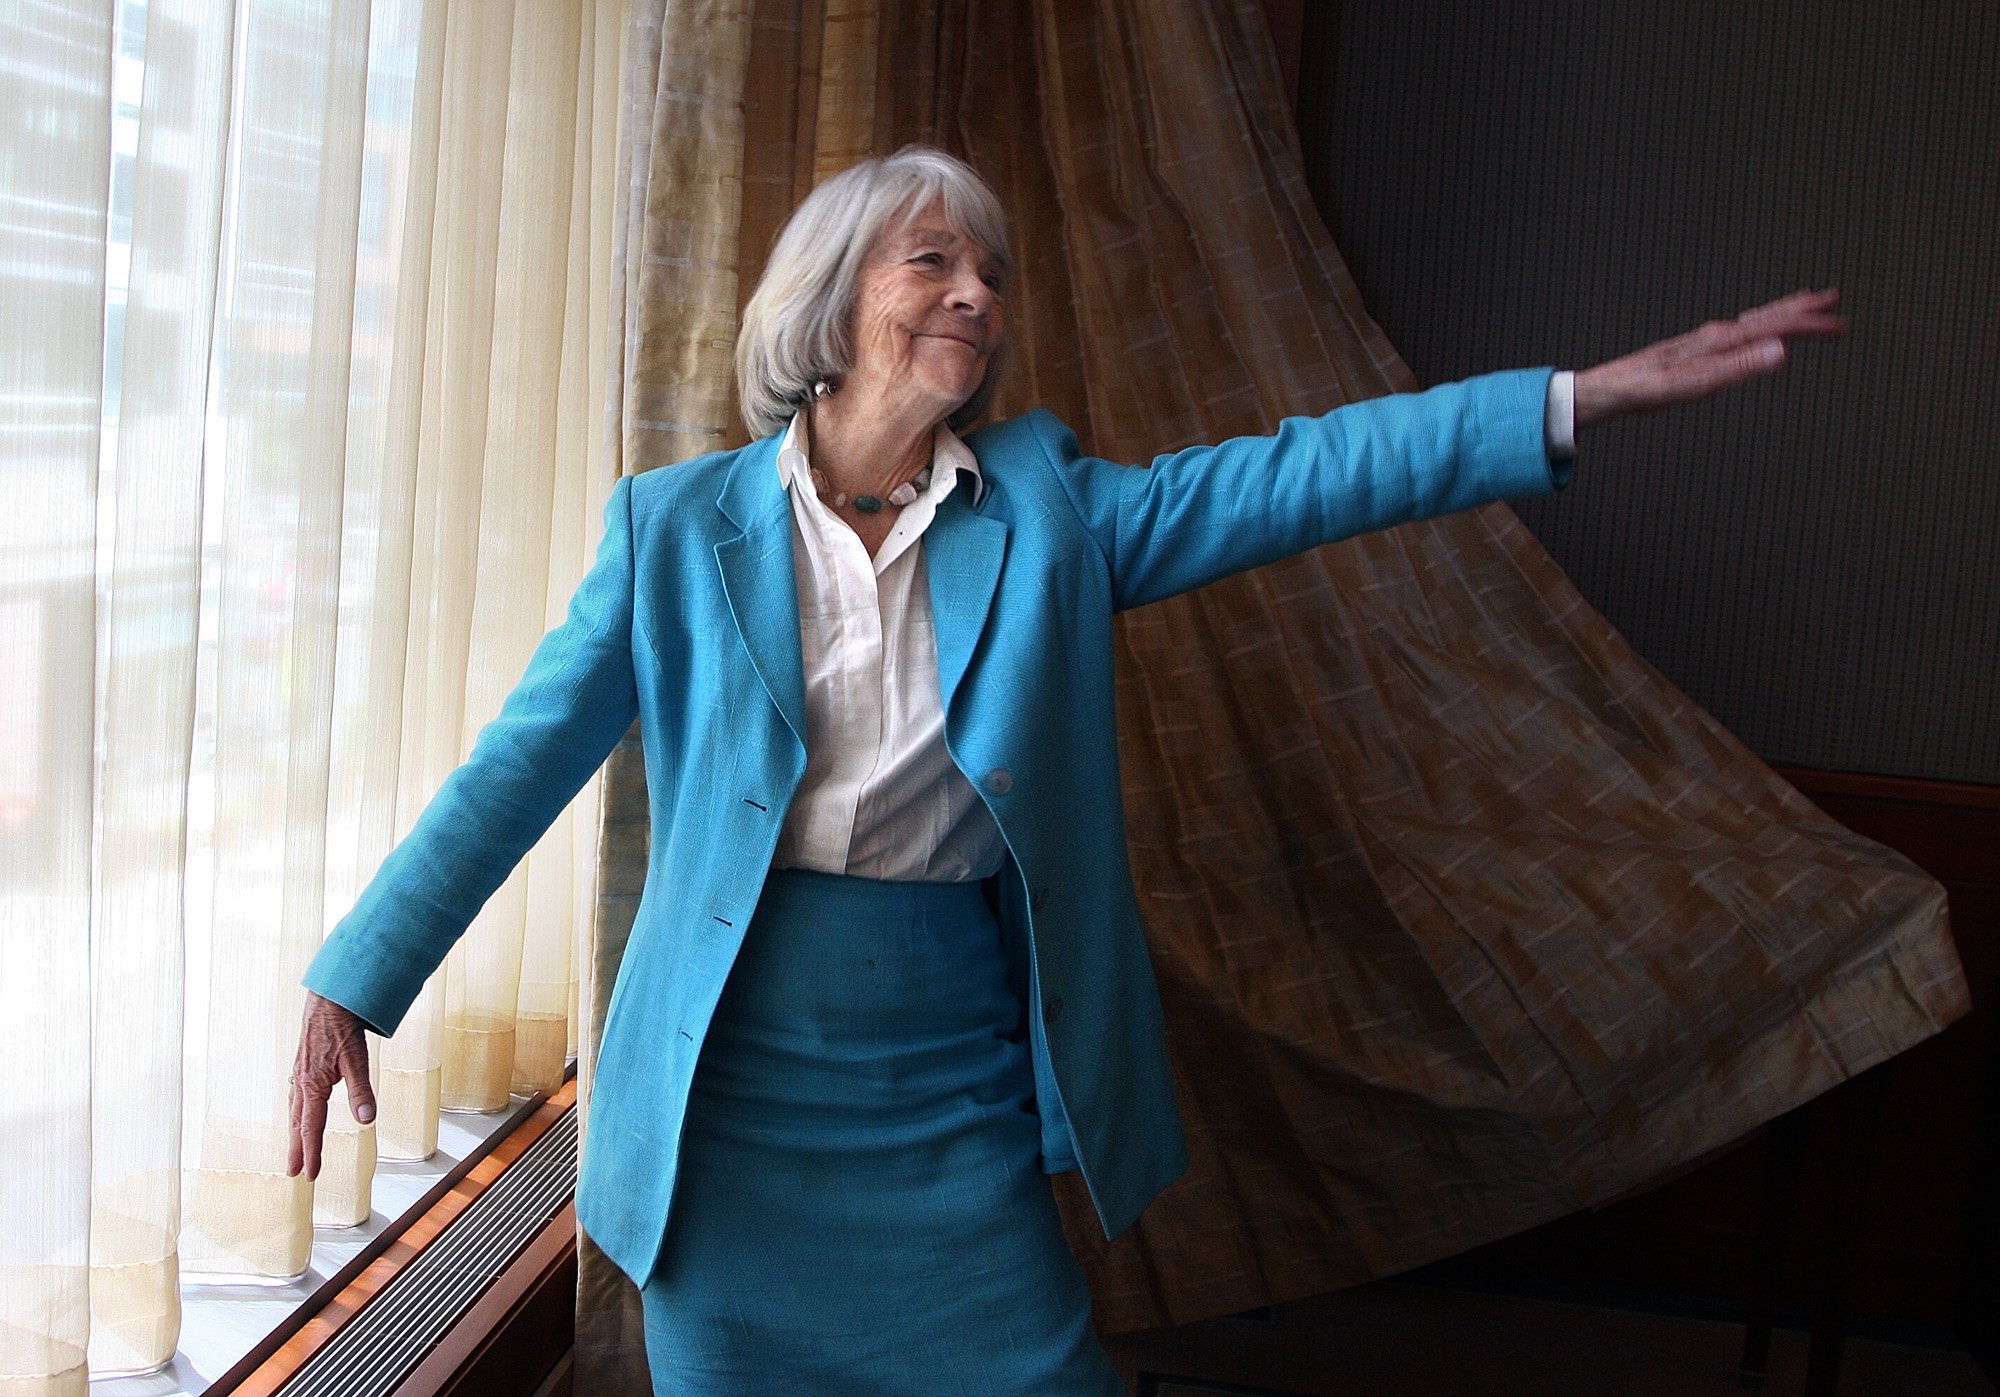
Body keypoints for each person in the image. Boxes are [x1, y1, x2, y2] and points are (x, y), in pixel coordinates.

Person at [289, 145, 1844, 1393]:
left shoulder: (1052, 507)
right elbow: (521, 759)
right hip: (733, 1090)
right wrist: (360, 973)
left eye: (993, 273)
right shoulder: (676, 526)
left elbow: (1306, 473)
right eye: (935, 261)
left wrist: (1571, 402)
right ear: (836, 302)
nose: (977, 293)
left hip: (945, 1080)